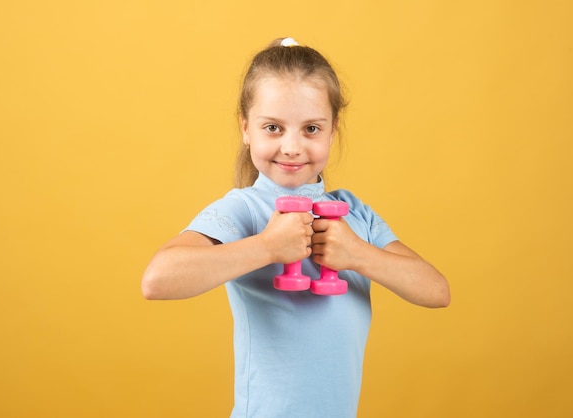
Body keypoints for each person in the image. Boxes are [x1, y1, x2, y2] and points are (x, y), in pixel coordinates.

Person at [142, 37, 450, 418]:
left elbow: (436, 291)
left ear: (333, 130)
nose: (291, 146)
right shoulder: (244, 210)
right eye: (273, 127)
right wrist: (268, 247)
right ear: (245, 128)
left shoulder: (355, 214)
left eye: (311, 129)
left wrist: (359, 254)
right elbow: (158, 280)